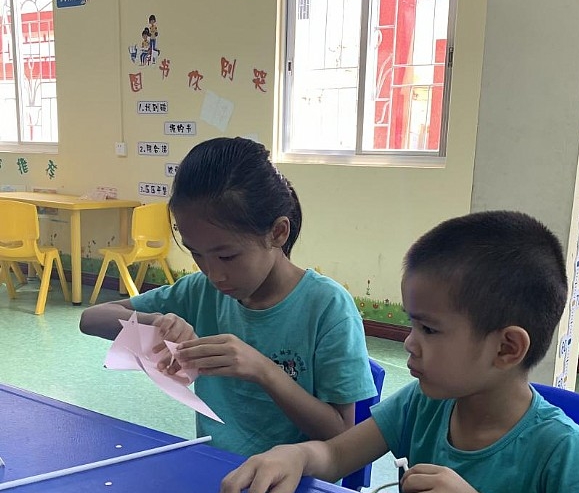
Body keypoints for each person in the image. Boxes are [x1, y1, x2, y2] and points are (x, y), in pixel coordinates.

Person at [216, 210, 579, 493]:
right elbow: (335, 455)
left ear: (506, 348)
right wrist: (294, 456)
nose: (409, 343)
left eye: (428, 329)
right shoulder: (423, 403)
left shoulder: (562, 449)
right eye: (412, 324)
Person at [79, 137, 377, 457]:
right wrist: (154, 322)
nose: (214, 274)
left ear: (278, 233)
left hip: (295, 478)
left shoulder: (327, 307)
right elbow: (90, 319)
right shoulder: (201, 291)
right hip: (215, 466)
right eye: (197, 254)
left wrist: (264, 371)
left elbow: (342, 434)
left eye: (227, 256)